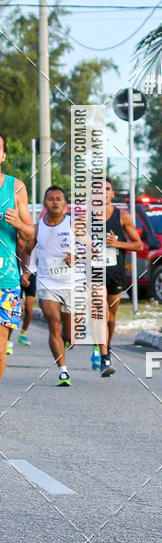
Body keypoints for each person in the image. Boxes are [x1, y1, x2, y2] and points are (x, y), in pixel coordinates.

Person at [94, 177, 142, 377]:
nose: (103, 192)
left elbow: (138, 245)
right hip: (94, 273)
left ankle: (107, 345)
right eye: (99, 189)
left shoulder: (122, 217)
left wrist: (117, 244)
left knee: (111, 318)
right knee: (102, 313)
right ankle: (104, 357)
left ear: (112, 194)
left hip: (116, 273)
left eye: (107, 189)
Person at [30, 186, 76, 386]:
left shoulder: (75, 225)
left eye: (59, 199)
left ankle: (69, 336)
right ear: (44, 203)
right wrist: (27, 270)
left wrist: (76, 257)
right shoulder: (37, 228)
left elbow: (92, 250)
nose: (55, 202)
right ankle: (63, 371)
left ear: (65, 204)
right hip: (47, 282)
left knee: (70, 332)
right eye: (51, 199)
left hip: (72, 283)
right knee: (53, 324)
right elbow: (25, 251)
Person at [0, 133, 35, 381]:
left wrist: (18, 223)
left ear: (2, 155)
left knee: (1, 347)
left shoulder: (16, 187)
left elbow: (32, 231)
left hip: (6, 279)